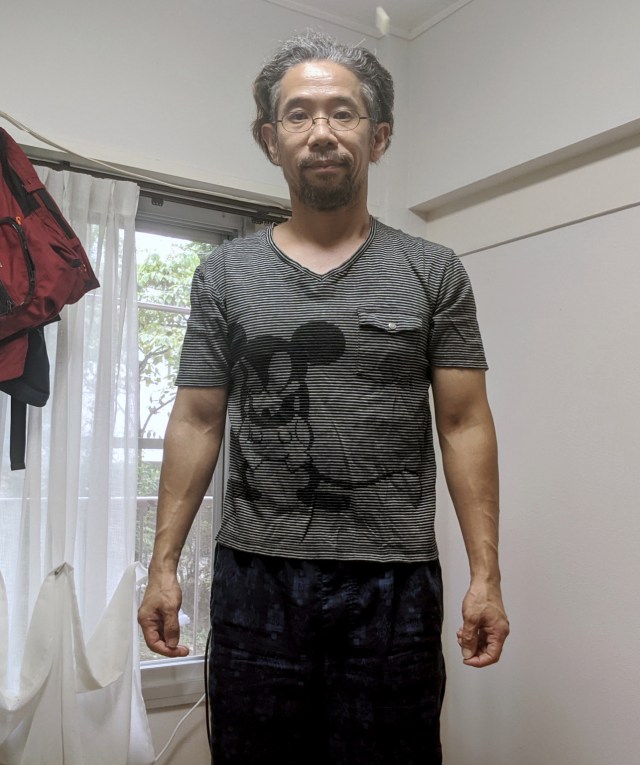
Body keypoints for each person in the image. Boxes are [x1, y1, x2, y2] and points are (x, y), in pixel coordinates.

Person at [138, 31, 509, 765]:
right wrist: (163, 566)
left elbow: (465, 423)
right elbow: (198, 420)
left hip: (394, 580)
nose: (321, 132)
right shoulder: (224, 274)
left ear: (379, 136)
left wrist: (487, 576)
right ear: (270, 140)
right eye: (299, 114)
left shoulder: (433, 270)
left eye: (342, 112)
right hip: (256, 576)